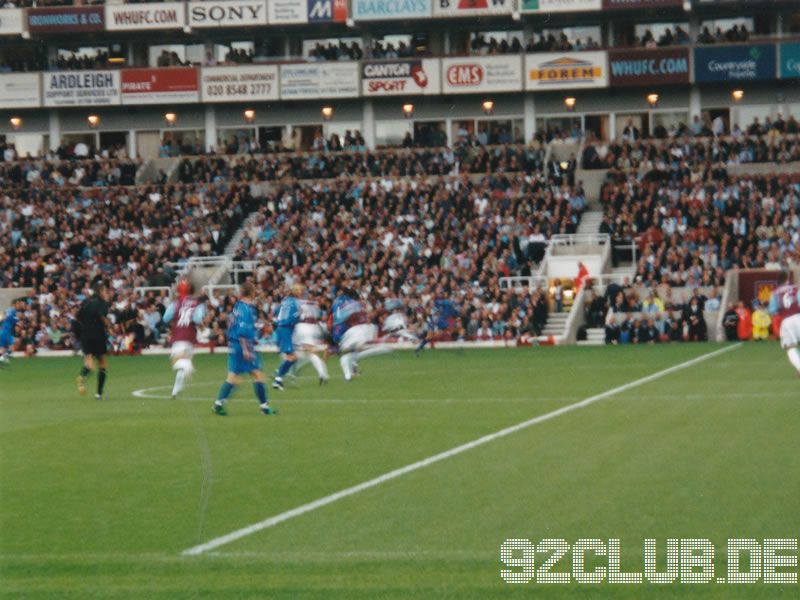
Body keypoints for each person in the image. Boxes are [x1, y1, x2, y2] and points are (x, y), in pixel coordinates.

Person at [212, 282, 275, 416]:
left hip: (235, 345)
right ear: (252, 292)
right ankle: (264, 407)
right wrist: (246, 349)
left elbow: (236, 325)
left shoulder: (238, 306)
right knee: (257, 374)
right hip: (243, 345)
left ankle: (218, 404)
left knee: (234, 377)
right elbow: (242, 330)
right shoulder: (246, 308)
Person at [162, 279, 207, 398]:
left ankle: (185, 371)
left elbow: (165, 318)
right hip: (190, 336)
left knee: (178, 362)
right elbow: (197, 319)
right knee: (183, 364)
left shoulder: (175, 303)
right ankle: (176, 390)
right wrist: (202, 325)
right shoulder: (198, 304)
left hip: (178, 335)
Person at [76, 281, 111, 400]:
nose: (107, 293)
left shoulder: (87, 302)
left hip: (85, 335)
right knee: (102, 363)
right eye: (105, 291)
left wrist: (87, 326)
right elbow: (102, 317)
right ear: (100, 292)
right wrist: (109, 326)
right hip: (98, 335)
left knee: (89, 364)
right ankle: (99, 394)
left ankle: (82, 376)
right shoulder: (103, 304)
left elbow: (78, 316)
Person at [291, 297, 329, 385]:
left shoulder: (293, 303)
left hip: (302, 327)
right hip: (312, 327)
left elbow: (293, 316)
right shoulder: (311, 303)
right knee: (304, 354)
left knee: (306, 353)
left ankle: (323, 374)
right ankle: (290, 374)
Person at [768, 272, 800, 375]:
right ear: (787, 279)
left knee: (790, 347)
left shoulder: (775, 293)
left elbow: (772, 310)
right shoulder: (795, 289)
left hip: (786, 320)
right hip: (798, 316)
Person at [272, 283, 302, 391]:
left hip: (281, 329)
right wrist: (298, 320)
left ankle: (279, 378)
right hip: (286, 329)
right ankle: (277, 379)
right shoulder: (296, 303)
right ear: (294, 291)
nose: (300, 291)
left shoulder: (285, 301)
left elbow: (275, 313)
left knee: (293, 357)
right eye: (298, 290)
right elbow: (296, 317)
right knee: (292, 357)